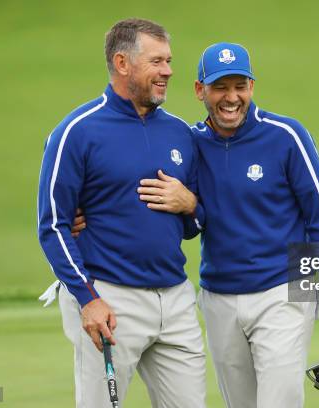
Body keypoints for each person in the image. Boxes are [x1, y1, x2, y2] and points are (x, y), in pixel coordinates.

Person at [74, 42, 319, 407]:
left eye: (239, 86)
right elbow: (185, 222)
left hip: (283, 291)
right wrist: (86, 217)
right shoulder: (191, 143)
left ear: (252, 87)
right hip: (219, 297)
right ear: (201, 90)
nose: (231, 97)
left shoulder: (287, 136)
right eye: (220, 87)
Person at [37, 18, 205, 408]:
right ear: (123, 62)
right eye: (157, 61)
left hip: (176, 299)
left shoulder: (181, 133)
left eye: (169, 61)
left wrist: (191, 205)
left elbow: (196, 225)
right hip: (109, 300)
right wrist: (87, 298)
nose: (168, 71)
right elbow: (53, 226)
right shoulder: (76, 132)